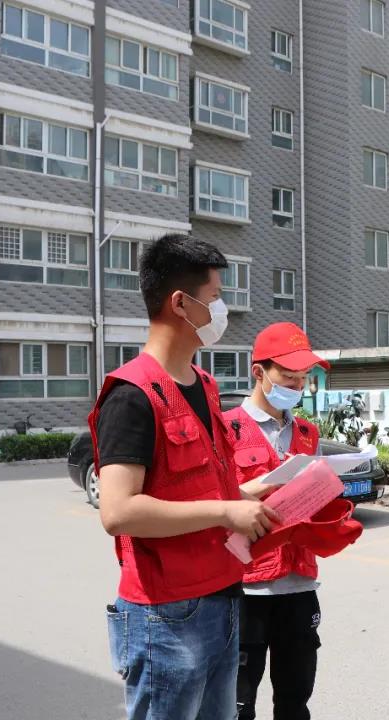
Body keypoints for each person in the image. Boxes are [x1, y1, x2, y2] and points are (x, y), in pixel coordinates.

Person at [89, 234, 280, 720]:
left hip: (223, 594)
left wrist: (246, 496)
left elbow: (193, 489)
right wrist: (225, 511)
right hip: (166, 615)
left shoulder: (205, 385)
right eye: (215, 298)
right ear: (180, 303)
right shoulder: (132, 394)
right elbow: (118, 511)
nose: (222, 310)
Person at [224, 322, 331, 720]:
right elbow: (215, 500)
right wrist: (267, 484)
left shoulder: (307, 432)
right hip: (245, 587)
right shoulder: (226, 428)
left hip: (299, 583)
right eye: (288, 377)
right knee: (238, 705)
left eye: (304, 378)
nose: (298, 386)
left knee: (295, 701)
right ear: (259, 372)